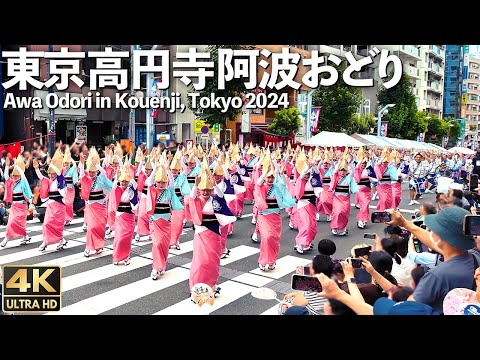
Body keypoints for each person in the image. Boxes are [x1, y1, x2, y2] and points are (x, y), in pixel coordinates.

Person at [385, 206, 480, 314]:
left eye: (434, 229)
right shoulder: (475, 256)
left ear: (439, 237)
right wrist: (405, 224)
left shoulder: (438, 275)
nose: (430, 232)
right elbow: (442, 244)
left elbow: (409, 308)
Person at [188, 158, 236, 295]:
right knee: (201, 261)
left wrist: (214, 184)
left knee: (213, 261)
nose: (205, 192)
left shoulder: (215, 200)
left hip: (214, 233)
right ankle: (196, 286)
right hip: (202, 233)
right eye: (203, 190)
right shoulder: (197, 200)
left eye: (208, 190)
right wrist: (196, 186)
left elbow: (221, 196)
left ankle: (212, 284)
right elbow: (192, 199)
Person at [254, 154, 295, 271]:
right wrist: (265, 171)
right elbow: (258, 183)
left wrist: (276, 165)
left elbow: (282, 180)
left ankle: (272, 260)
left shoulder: (277, 186)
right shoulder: (261, 187)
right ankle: (263, 261)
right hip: (264, 217)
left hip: (275, 216)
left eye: (272, 177)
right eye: (268, 177)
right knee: (266, 237)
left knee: (274, 239)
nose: (270, 179)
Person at [146, 160, 183, 280]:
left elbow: (172, 182)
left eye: (163, 182)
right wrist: (156, 169)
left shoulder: (169, 191)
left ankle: (161, 265)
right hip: (155, 222)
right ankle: (155, 268)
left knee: (164, 245)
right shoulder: (152, 190)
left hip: (166, 223)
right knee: (156, 244)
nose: (161, 184)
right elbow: (149, 182)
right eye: (159, 182)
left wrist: (167, 170)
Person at [79, 148, 113, 257]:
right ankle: (88, 248)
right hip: (91, 207)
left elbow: (104, 173)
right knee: (91, 227)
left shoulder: (101, 178)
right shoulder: (86, 179)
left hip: (101, 206)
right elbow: (81, 174)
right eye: (90, 171)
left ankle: (99, 246)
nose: (91, 173)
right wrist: (81, 163)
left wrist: (96, 164)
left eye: (93, 171)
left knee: (100, 227)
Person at [34, 149, 68, 251]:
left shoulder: (61, 179)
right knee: (46, 224)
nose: (51, 175)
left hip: (59, 205)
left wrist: (51, 164)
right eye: (50, 173)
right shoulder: (50, 181)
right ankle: (47, 242)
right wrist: (36, 169)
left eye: (53, 174)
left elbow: (58, 173)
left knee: (54, 225)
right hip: (50, 206)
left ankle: (59, 240)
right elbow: (42, 178)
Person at [0, 154, 33, 247]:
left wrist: (18, 167)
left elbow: (23, 175)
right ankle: (8, 239)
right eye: (13, 176)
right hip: (14, 206)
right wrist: (7, 166)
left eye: (16, 176)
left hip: (22, 206)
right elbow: (6, 176)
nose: (14, 177)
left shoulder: (23, 182)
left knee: (19, 224)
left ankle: (24, 237)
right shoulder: (11, 182)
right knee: (11, 222)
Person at [294, 151, 322, 252]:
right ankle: (299, 244)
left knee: (312, 226)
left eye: (308, 174)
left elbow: (317, 173)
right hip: (302, 204)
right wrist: (307, 168)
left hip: (312, 204)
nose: (306, 175)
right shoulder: (300, 179)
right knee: (305, 225)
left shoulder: (312, 180)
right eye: (305, 174)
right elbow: (302, 176)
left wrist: (313, 166)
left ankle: (307, 242)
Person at [112, 158, 139, 266]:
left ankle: (126, 256)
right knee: (119, 238)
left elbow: (134, 183)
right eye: (122, 181)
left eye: (125, 181)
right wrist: (119, 173)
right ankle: (117, 256)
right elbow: (114, 184)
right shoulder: (117, 188)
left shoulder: (132, 190)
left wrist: (127, 172)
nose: (123, 183)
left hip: (129, 217)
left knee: (126, 238)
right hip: (119, 217)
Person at [330, 154, 358, 236]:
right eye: (341, 170)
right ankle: (334, 227)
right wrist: (340, 161)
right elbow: (335, 170)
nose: (342, 172)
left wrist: (349, 162)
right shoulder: (336, 176)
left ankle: (342, 227)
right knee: (337, 212)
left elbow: (353, 170)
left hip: (345, 198)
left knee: (344, 213)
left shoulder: (349, 177)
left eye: (344, 170)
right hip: (337, 197)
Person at [169, 152, 190, 250]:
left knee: (179, 224)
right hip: (169, 205)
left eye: (176, 170)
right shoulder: (166, 178)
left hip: (179, 204)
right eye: (173, 169)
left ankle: (176, 240)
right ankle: (171, 241)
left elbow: (185, 169)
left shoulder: (181, 178)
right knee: (170, 224)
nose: (174, 171)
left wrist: (179, 159)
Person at [353, 147, 376, 229]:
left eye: (365, 163)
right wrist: (361, 159)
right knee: (364, 205)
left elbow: (373, 167)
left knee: (365, 206)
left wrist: (371, 157)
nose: (363, 164)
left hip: (367, 190)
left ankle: (363, 219)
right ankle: (360, 220)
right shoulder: (357, 169)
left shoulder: (368, 170)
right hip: (360, 190)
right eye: (362, 163)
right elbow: (356, 170)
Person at [62, 146, 78, 226]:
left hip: (70, 189)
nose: (66, 165)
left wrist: (69, 157)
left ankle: (68, 219)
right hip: (63, 190)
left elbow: (75, 180)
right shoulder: (62, 170)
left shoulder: (72, 170)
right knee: (63, 204)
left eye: (68, 163)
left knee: (68, 204)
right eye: (65, 163)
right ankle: (64, 218)